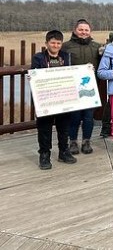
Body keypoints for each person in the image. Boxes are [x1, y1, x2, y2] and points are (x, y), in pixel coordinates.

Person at [31, 30, 77, 170]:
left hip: (63, 99)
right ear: (46, 43)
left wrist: (87, 69)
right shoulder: (38, 58)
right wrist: (32, 76)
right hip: (46, 100)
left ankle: (64, 151)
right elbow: (35, 74)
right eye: (52, 43)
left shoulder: (66, 56)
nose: (55, 45)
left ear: (61, 44)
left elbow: (73, 74)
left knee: (64, 127)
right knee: (44, 128)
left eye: (58, 43)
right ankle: (44, 154)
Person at [62, 19, 101, 155]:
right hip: (72, 87)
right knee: (74, 116)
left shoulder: (97, 46)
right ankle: (73, 141)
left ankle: (86, 141)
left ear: (90, 31)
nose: (83, 32)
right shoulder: (66, 46)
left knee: (89, 117)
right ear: (75, 30)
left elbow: (104, 65)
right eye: (81, 30)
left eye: (86, 30)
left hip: (90, 88)